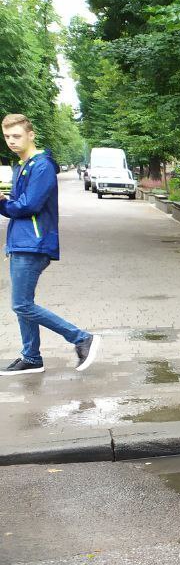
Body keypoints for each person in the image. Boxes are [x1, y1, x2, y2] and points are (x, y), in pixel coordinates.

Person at [2, 113, 99, 375]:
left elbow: (29, 205)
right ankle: (31, 357)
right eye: (7, 136)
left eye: (17, 136)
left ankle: (81, 338)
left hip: (34, 242)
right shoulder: (23, 165)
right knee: (24, 303)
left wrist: (2, 202)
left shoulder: (41, 166)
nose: (11, 141)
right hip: (21, 242)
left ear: (31, 135)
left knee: (21, 304)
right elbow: (16, 205)